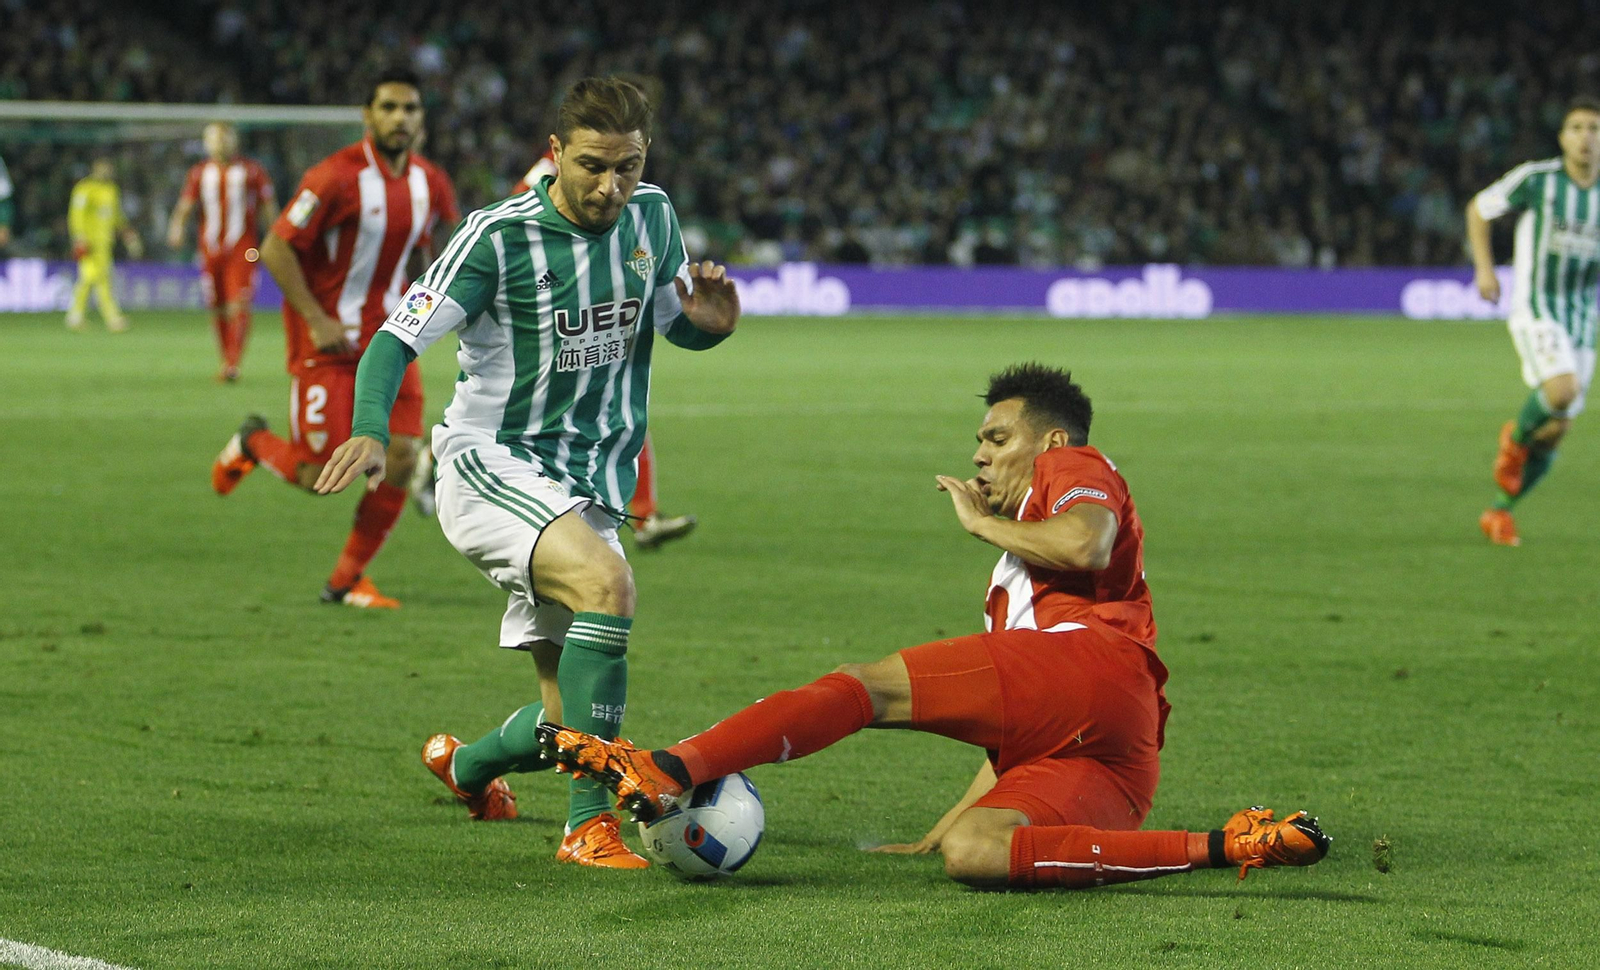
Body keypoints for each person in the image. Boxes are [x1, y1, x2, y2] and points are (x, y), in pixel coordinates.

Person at [537, 364, 1330, 890]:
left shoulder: (1073, 465)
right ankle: (1235, 844)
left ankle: (670, 766)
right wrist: (938, 830)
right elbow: (1019, 728)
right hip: (1119, 754)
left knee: (865, 689)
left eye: (996, 438)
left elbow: (1090, 543)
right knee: (976, 854)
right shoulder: (1016, 579)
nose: (981, 457)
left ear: (1048, 440)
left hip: (1099, 666)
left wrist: (980, 527)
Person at [315, 76, 740, 868]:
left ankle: (466, 767)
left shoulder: (653, 217)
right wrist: (372, 431)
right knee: (609, 586)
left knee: (569, 723)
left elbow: (673, 323)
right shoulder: (496, 238)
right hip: (492, 462)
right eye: (592, 166)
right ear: (553, 155)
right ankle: (588, 829)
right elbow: (393, 340)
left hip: (590, 481)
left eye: (629, 166)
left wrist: (709, 327)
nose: (611, 186)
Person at [209, 68, 459, 608]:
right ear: (368, 116)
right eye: (388, 107)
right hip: (329, 344)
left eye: (410, 108)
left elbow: (425, 255)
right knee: (322, 473)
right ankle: (254, 441)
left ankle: (345, 579)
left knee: (400, 456)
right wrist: (318, 320)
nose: (400, 118)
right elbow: (275, 248)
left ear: (422, 119)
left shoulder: (431, 182)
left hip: (394, 339)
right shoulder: (333, 177)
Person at [1470, 97, 1600, 546]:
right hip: (1538, 306)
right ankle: (1514, 441)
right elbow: (1479, 208)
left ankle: (1499, 512)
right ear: (1563, 138)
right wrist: (1485, 269)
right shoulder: (1538, 180)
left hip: (1583, 317)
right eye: (1577, 128)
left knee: (1557, 429)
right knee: (1562, 392)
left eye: (1594, 129)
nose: (1586, 137)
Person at [167, 122, 278, 382]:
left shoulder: (252, 171)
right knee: (216, 306)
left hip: (244, 248)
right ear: (207, 144)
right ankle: (225, 358)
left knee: (238, 304)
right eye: (214, 139)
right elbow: (186, 204)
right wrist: (176, 227)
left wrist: (275, 237)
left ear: (234, 141)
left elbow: (268, 206)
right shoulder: (199, 173)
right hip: (209, 249)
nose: (219, 144)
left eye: (224, 138)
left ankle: (233, 363)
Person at [66, 158, 143, 332]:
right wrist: (79, 236)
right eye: (103, 168)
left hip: (105, 242)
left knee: (89, 278)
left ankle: (75, 315)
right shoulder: (84, 189)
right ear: (95, 169)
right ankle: (112, 317)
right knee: (100, 278)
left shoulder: (111, 190)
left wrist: (127, 234)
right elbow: (76, 215)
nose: (106, 171)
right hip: (89, 242)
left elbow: (116, 216)